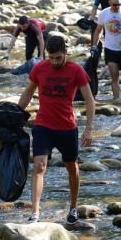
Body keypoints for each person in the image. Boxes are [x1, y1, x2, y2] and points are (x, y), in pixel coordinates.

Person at [18, 34, 95, 224]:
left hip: (67, 127)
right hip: (43, 125)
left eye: (58, 58)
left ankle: (73, 207)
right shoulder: (40, 68)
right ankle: (35, 212)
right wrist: (17, 115)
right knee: (39, 166)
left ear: (66, 53)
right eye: (50, 58)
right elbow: (28, 91)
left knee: (72, 167)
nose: (54, 62)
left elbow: (90, 100)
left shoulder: (76, 70)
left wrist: (88, 130)